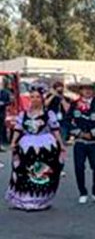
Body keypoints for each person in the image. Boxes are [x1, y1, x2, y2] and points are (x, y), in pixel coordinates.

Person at [5, 83, 64, 211]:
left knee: (41, 173)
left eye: (37, 97)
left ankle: (40, 200)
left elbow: (55, 130)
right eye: (32, 97)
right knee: (23, 172)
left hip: (45, 146)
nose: (35, 99)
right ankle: (24, 201)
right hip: (26, 146)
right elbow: (18, 129)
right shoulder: (23, 114)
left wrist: (61, 144)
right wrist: (13, 142)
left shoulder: (49, 114)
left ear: (42, 98)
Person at [63, 78, 95, 206]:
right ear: (81, 90)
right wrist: (78, 132)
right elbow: (66, 121)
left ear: (92, 90)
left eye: (89, 88)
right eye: (84, 88)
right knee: (79, 168)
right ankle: (82, 193)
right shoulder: (75, 104)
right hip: (79, 141)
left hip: (93, 142)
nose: (87, 91)